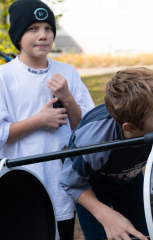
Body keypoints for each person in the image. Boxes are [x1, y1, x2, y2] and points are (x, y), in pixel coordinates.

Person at [0, 0, 95, 239]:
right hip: (20, 184)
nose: (42, 35)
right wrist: (40, 119)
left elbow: (88, 129)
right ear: (18, 37)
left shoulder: (68, 73)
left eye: (48, 28)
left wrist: (68, 98)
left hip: (59, 183)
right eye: (33, 28)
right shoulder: (4, 77)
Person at [59, 67, 153, 240]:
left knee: (143, 234)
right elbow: (70, 183)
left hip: (129, 179)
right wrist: (106, 216)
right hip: (90, 186)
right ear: (131, 127)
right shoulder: (94, 141)